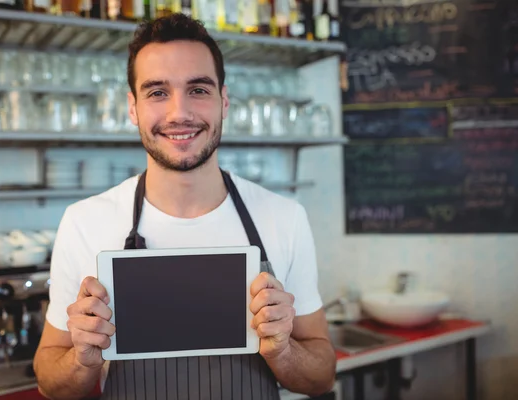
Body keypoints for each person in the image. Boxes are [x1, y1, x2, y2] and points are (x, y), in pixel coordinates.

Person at [33, 13, 336, 400]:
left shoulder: (284, 218)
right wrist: (82, 358)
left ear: (223, 101)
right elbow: (48, 382)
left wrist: (284, 350)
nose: (179, 113)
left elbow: (322, 375)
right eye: (157, 92)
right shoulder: (84, 223)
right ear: (133, 108)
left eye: (198, 89)